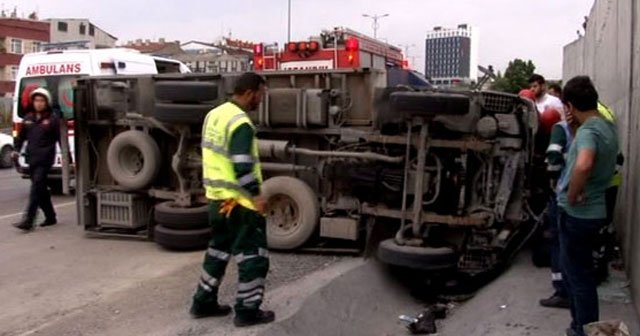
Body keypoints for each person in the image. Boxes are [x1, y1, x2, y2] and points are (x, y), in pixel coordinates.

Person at [190, 72, 275, 327]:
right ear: (249, 93)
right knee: (253, 256)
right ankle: (247, 311)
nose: (261, 98)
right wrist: (257, 196)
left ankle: (202, 302)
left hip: (218, 201)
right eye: (261, 93)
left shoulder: (214, 115)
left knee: (218, 251)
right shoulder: (241, 123)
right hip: (240, 204)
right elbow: (242, 167)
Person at [556, 76, 618, 336]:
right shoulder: (605, 127)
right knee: (578, 274)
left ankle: (583, 330)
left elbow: (583, 164)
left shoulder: (589, 132)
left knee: (579, 278)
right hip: (594, 210)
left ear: (569, 105)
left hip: (578, 213)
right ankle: (580, 327)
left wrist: (572, 194)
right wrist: (573, 129)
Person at [539, 111, 574, 309]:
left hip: (564, 195)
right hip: (592, 199)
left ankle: (562, 290)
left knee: (558, 241)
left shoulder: (561, 129)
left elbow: (553, 160)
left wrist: (551, 182)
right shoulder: (602, 128)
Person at [12, 88, 59, 231]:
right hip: (32, 158)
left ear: (47, 102)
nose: (39, 103)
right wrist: (16, 150)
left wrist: (67, 157)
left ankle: (28, 220)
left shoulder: (52, 119)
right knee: (41, 189)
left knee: (35, 188)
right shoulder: (28, 119)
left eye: (42, 101)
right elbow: (20, 138)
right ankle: (51, 217)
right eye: (36, 100)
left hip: (45, 159)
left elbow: (59, 139)